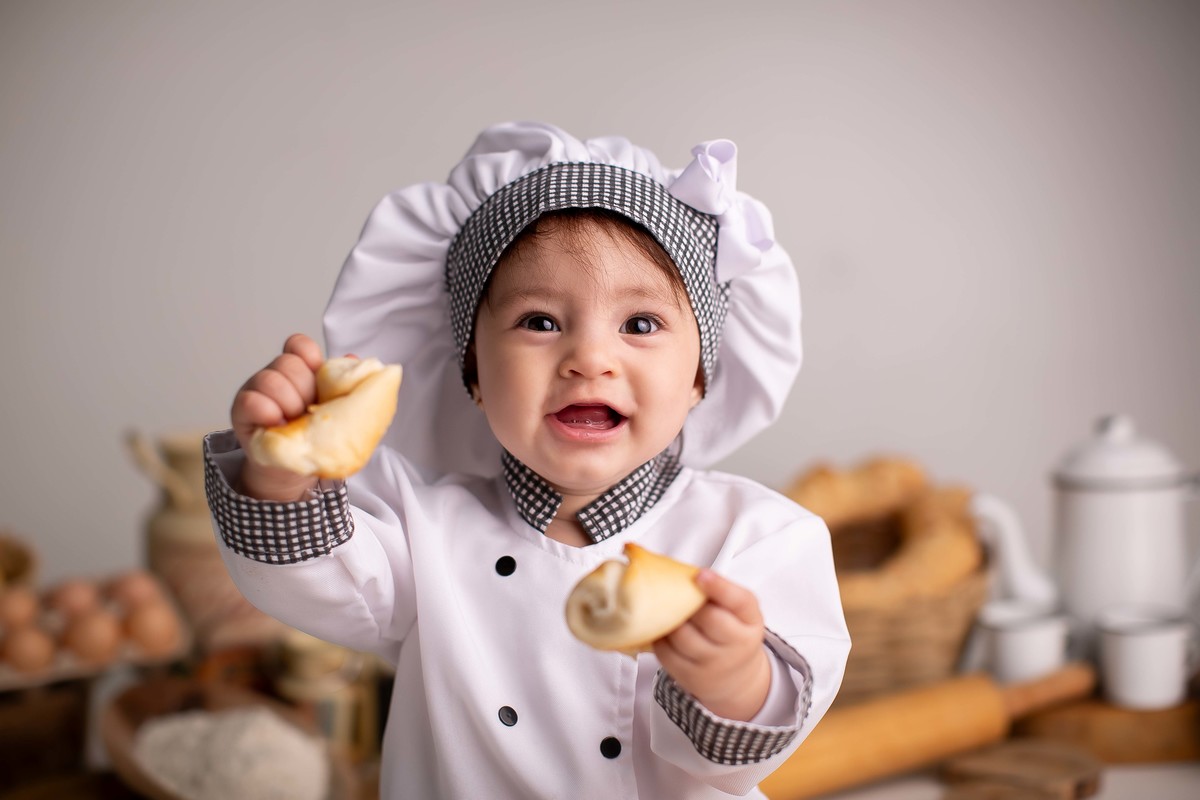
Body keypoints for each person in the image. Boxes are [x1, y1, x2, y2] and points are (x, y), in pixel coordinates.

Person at [203, 121, 850, 798]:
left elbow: (749, 751)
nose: (589, 359)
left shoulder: (757, 537)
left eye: (640, 324)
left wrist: (734, 678)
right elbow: (315, 579)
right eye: (539, 321)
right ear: (474, 373)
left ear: (699, 378)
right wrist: (279, 471)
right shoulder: (420, 524)